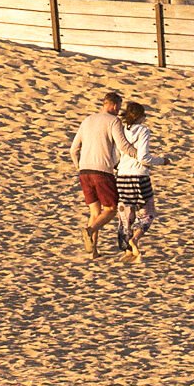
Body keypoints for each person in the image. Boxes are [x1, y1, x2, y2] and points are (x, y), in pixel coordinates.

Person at [72, 89, 127, 262]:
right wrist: (137, 156)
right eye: (118, 107)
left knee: (95, 211)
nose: (119, 110)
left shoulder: (87, 120)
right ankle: (89, 231)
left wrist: (78, 167)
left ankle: (93, 251)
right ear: (114, 105)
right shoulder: (113, 121)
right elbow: (122, 146)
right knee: (110, 209)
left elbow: (73, 149)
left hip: (84, 171)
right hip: (102, 171)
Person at [115, 97, 158, 257]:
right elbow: (144, 157)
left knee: (126, 215)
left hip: (122, 176)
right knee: (148, 213)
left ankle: (126, 249)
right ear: (139, 116)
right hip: (139, 176)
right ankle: (135, 239)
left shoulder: (120, 130)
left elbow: (116, 155)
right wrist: (161, 161)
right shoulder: (143, 131)